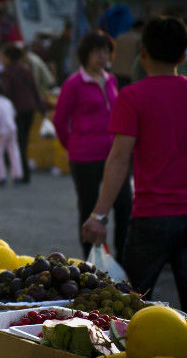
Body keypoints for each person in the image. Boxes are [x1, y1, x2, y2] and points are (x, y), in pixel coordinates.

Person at [82, 17, 187, 311]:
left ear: (143, 53)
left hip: (150, 219)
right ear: (183, 55)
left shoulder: (132, 97)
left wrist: (99, 215)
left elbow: (118, 159)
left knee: (130, 309)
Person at [53, 30, 132, 262]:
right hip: (84, 157)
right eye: (97, 51)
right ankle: (92, 261)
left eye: (106, 51)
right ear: (85, 54)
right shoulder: (73, 84)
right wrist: (74, 146)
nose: (102, 56)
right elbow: (59, 120)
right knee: (89, 209)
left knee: (124, 205)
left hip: (113, 156)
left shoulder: (111, 80)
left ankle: (122, 256)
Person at [1, 45, 45, 184]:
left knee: (18, 142)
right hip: (30, 108)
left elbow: (7, 93)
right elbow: (35, 89)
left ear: (7, 58)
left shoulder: (7, 72)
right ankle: (23, 173)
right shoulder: (26, 70)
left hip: (17, 110)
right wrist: (41, 107)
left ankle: (22, 174)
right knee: (23, 141)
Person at [0, 82, 23, 188]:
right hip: (12, 128)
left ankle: (2, 177)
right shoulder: (7, 101)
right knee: (14, 151)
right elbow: (13, 113)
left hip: (1, 131)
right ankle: (17, 175)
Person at [111, 20, 144, 88]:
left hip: (116, 72)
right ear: (140, 28)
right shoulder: (139, 39)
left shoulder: (120, 37)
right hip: (130, 74)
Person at [48, 21, 73, 85]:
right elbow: (51, 60)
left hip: (71, 73)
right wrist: (54, 75)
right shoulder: (57, 42)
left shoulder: (73, 42)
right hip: (60, 74)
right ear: (66, 30)